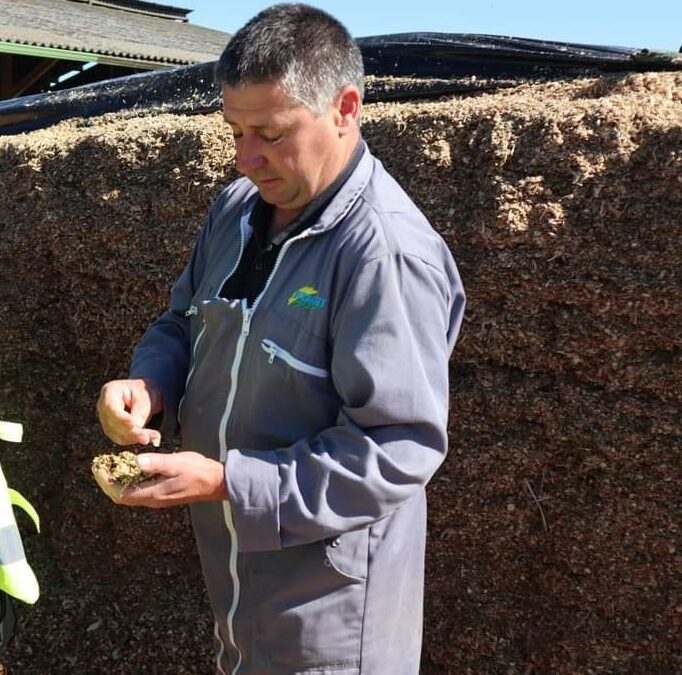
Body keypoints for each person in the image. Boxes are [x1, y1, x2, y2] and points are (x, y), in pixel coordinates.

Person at [95, 4, 465, 674]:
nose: (246, 158)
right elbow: (183, 321)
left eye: (269, 132)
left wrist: (229, 481)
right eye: (235, 131)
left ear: (345, 107)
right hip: (241, 585)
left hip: (332, 616)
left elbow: (397, 447)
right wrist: (150, 381)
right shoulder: (236, 210)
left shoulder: (383, 254)